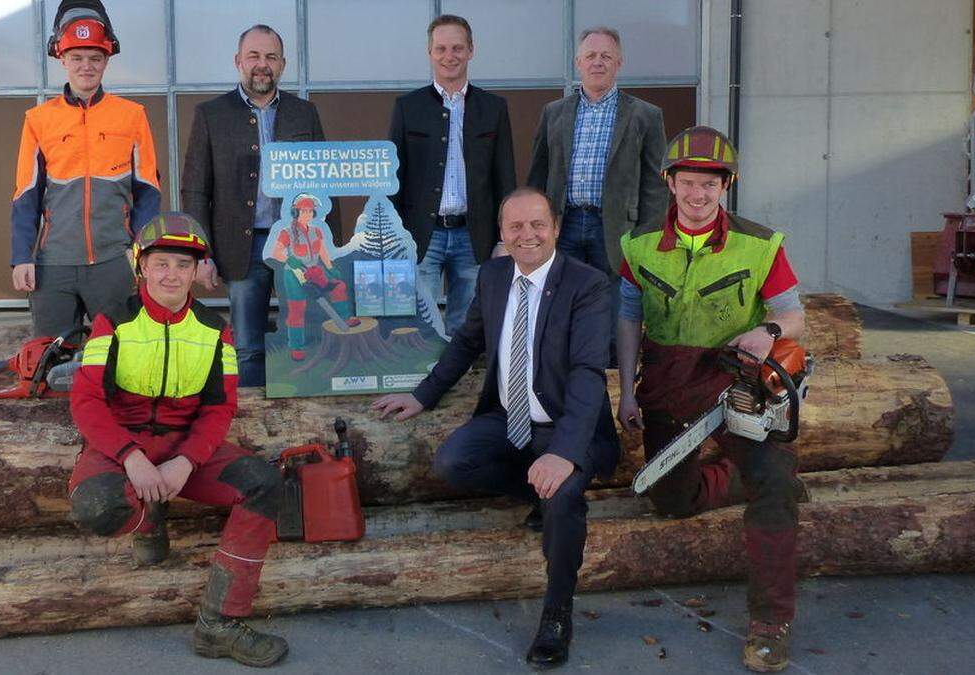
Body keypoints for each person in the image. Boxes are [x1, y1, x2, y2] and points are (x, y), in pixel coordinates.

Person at [372, 187, 620, 670]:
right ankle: (535, 496)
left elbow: (590, 375)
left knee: (565, 496)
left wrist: (565, 453)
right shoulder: (493, 274)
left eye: (537, 225)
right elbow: (467, 342)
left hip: (567, 426)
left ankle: (556, 614)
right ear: (503, 234)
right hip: (508, 420)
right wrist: (423, 395)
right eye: (515, 227)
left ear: (556, 228)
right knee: (452, 462)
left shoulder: (587, 285)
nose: (527, 235)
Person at [614, 126, 806, 673]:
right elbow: (628, 318)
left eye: (711, 185)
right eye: (690, 182)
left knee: (773, 480)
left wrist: (768, 329)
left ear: (726, 187)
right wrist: (627, 389)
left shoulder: (760, 242)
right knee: (671, 499)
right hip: (669, 385)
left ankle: (770, 623)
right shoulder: (639, 243)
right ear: (670, 182)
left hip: (739, 385)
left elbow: (795, 314)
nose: (699, 195)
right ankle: (737, 479)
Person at [67, 213, 288, 667]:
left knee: (265, 484)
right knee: (98, 507)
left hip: (184, 449)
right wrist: (131, 458)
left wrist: (185, 461)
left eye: (183, 265)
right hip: (123, 446)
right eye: (161, 263)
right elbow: (86, 399)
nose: (172, 274)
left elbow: (218, 408)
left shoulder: (214, 329)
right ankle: (148, 514)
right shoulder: (114, 321)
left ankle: (218, 624)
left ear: (196, 271)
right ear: (141, 267)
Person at [181, 24, 339, 386]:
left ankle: (301, 409)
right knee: (247, 345)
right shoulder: (211, 114)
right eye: (253, 56)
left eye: (270, 57)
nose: (261, 64)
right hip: (241, 247)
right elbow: (195, 190)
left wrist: (330, 250)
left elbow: (325, 186)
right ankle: (253, 419)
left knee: (301, 335)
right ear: (238, 61)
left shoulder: (305, 113)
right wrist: (200, 254)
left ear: (282, 64)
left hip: (298, 246)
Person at [10, 6, 160, 337]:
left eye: (95, 57)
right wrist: (22, 257)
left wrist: (139, 252)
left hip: (114, 263)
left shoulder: (132, 116)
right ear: (62, 59)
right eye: (77, 57)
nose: (86, 66)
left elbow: (148, 192)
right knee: (51, 358)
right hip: (54, 265)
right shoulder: (38, 120)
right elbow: (25, 195)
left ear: (107, 60)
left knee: (122, 353)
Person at [527, 26, 668, 359]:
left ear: (619, 62)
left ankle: (617, 369)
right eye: (590, 55)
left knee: (619, 301)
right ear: (578, 62)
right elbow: (538, 173)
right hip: (566, 222)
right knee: (562, 295)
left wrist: (648, 237)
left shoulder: (645, 115)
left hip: (618, 226)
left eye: (606, 56)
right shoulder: (554, 113)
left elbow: (655, 184)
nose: (598, 62)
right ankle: (569, 360)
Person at [388, 14, 516, 336]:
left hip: (474, 235)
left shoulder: (494, 107)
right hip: (422, 235)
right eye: (441, 48)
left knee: (467, 325)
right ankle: (426, 384)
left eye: (458, 48)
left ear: (471, 50)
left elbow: (505, 177)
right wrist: (394, 237)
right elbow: (393, 179)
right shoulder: (407, 107)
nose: (450, 56)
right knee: (422, 323)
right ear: (430, 52)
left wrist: (505, 238)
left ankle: (460, 384)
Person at [268, 194, 358, 361]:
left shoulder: (316, 231)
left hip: (314, 271)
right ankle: (296, 347)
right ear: (296, 212)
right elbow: (276, 252)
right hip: (294, 275)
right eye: (304, 211)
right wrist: (289, 259)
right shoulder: (286, 232)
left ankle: (345, 318)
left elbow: (322, 251)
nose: (307, 214)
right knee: (297, 310)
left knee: (338, 286)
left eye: (310, 211)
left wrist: (330, 269)